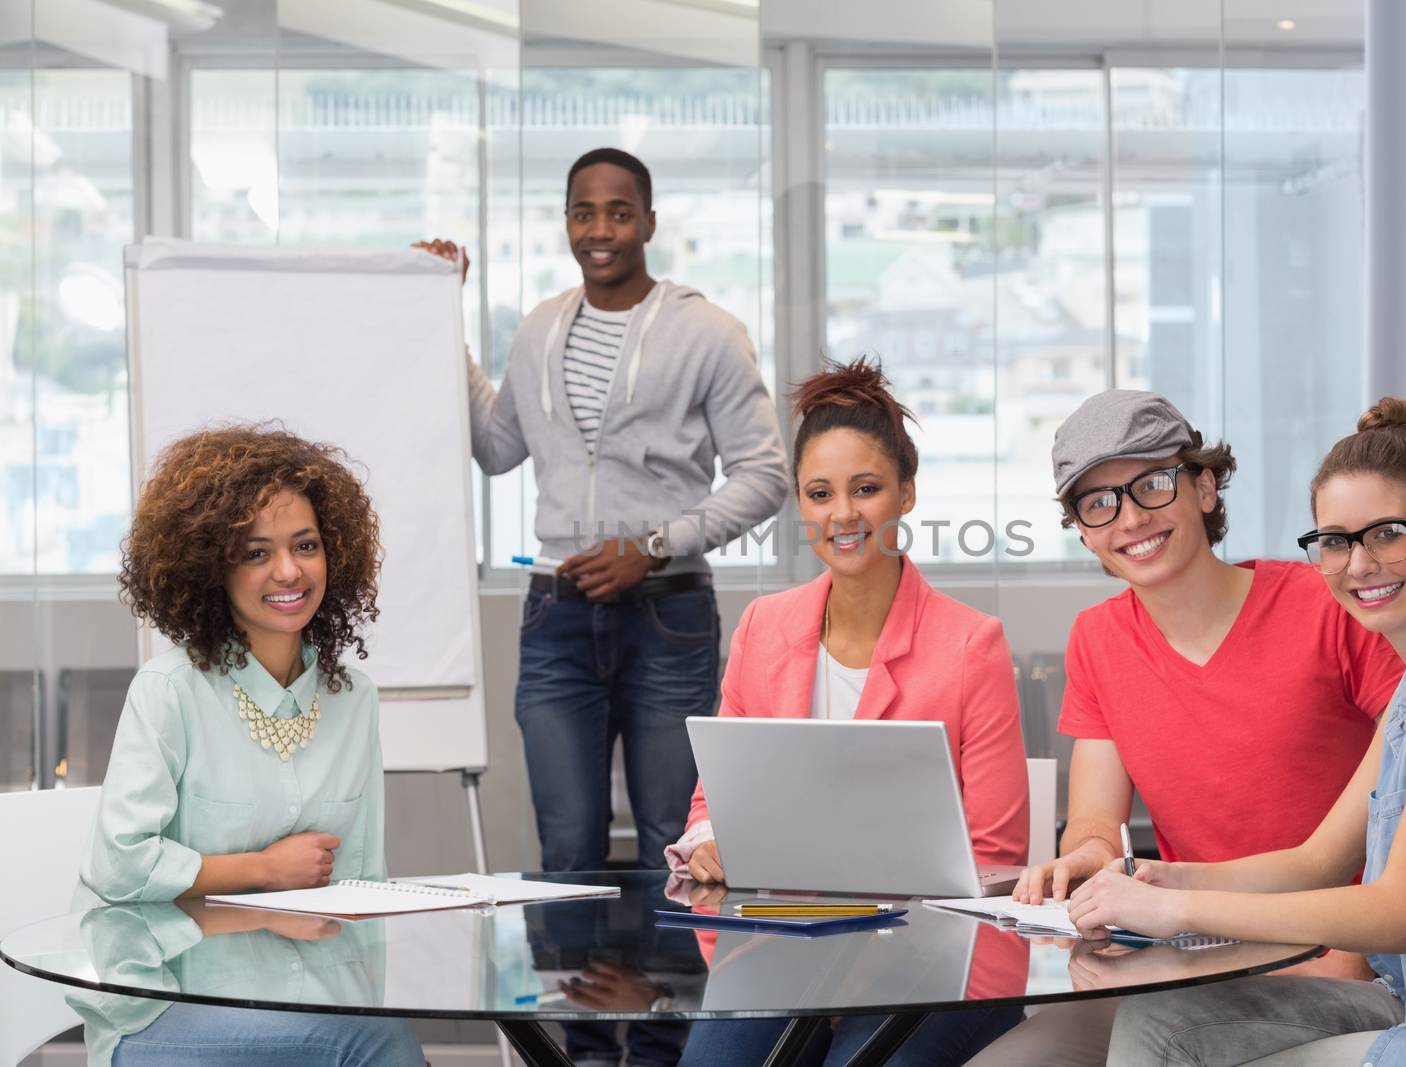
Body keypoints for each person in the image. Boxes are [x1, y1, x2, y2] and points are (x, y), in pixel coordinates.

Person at [1069, 398, 1406, 1065]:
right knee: (1151, 1027)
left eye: (1388, 533)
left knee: (1165, 1034)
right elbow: (1317, 861)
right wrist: (1167, 880)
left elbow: (1403, 912)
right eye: (1337, 541)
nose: (1358, 564)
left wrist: (1182, 913)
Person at [418, 146, 786, 1067]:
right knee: (567, 847)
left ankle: (667, 1044)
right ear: (568, 222)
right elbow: (497, 445)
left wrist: (653, 544)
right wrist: (442, 315)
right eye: (584, 213)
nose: (600, 231)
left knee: (674, 840)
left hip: (667, 613)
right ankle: (582, 1049)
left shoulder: (707, 331)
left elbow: (768, 475)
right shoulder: (540, 328)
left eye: (619, 213)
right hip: (554, 618)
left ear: (650, 222)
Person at [970, 390, 1404, 1067]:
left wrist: (1347, 949)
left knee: (1155, 1036)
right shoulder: (1098, 639)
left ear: (1204, 485)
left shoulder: (1326, 606)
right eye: (1098, 502)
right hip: (1191, 960)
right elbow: (1092, 822)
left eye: (1152, 484)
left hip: (1343, 962)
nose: (1130, 517)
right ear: (1082, 529)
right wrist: (1084, 859)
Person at [670, 358, 1028, 1066]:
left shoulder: (969, 645)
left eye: (866, 489)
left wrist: (869, 964)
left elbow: (997, 862)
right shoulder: (763, 628)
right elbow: (711, 797)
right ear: (799, 503)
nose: (843, 515)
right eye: (819, 492)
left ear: (905, 494)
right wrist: (712, 839)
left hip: (935, 965)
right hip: (786, 950)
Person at [75, 424, 423, 1066]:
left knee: (379, 1039)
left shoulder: (355, 699)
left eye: (306, 545)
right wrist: (265, 870)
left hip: (315, 1007)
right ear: (212, 565)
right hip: (166, 1006)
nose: (288, 571)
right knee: (379, 1045)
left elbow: (362, 884)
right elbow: (119, 868)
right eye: (255, 552)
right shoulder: (169, 690)